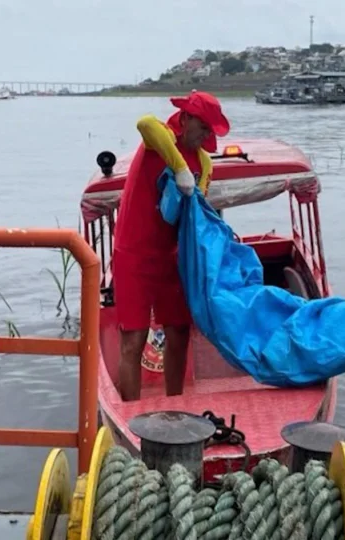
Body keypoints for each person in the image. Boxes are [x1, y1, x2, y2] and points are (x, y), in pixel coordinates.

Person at [112, 90, 230, 401]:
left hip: (173, 257)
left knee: (179, 332)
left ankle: (176, 407)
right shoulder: (160, 137)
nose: (205, 136)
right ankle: (131, 414)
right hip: (133, 254)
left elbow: (197, 215)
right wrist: (178, 168)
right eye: (203, 127)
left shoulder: (205, 163)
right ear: (186, 118)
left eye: (210, 131)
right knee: (133, 340)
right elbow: (144, 123)